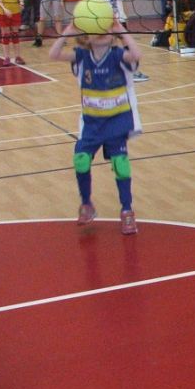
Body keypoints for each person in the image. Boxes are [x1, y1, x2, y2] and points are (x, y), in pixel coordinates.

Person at [49, 15, 143, 235]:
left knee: (120, 164)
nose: (101, 32)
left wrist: (120, 30)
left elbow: (137, 55)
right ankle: (87, 204)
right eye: (96, 29)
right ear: (86, 36)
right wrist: (68, 32)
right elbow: (53, 54)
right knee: (81, 160)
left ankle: (127, 210)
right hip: (92, 123)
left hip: (117, 121)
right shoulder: (82, 57)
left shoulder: (118, 55)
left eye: (105, 29)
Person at [96, 0, 149, 82]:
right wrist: (126, 22)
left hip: (108, 23)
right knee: (127, 47)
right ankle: (133, 72)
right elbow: (125, 9)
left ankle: (111, 73)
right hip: (121, 23)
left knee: (111, 49)